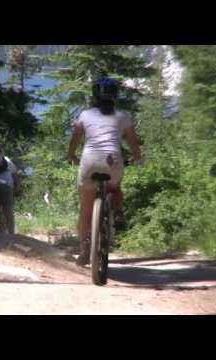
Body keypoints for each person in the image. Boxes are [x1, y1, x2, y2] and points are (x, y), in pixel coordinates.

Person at [68, 78, 142, 266]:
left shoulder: (84, 115)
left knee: (85, 211)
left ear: (94, 95)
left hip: (89, 161)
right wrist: (136, 156)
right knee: (115, 188)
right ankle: (117, 211)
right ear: (115, 96)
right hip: (113, 160)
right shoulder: (123, 116)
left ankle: (84, 252)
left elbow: (75, 138)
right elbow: (133, 141)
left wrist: (71, 155)